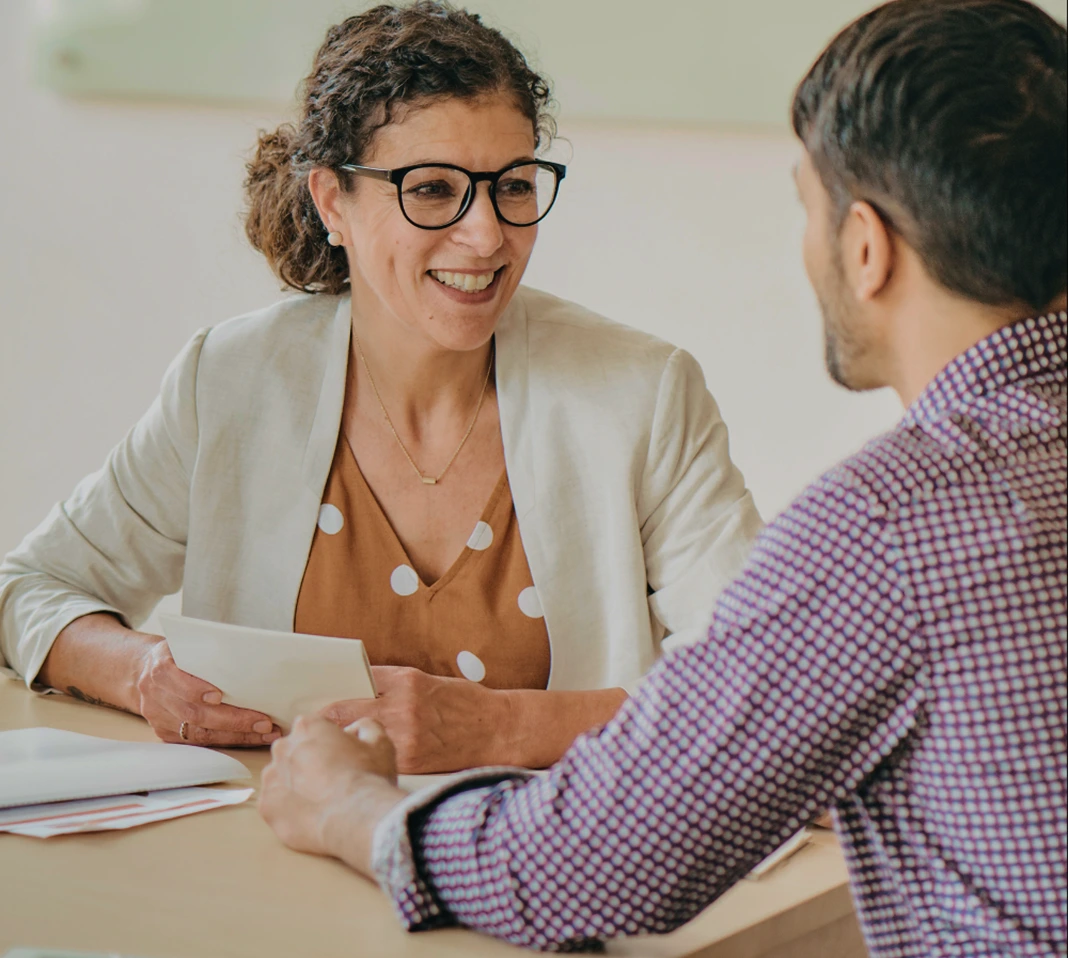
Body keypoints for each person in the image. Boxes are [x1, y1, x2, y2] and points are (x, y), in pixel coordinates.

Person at [257, 1, 1068, 954]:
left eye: (804, 205)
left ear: (864, 247)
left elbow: (581, 872)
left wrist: (351, 807)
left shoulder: (892, 526)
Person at [0, 2, 761, 772]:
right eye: (433, 188)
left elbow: (760, 685)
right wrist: (142, 673)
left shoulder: (644, 394)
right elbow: (28, 589)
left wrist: (500, 729)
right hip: (271, 864)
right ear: (333, 201)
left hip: (548, 872)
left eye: (515, 185)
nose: (488, 233)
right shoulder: (229, 380)